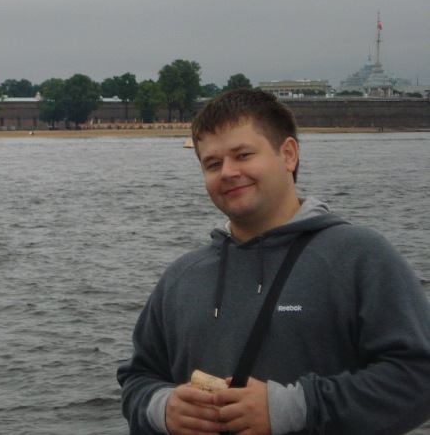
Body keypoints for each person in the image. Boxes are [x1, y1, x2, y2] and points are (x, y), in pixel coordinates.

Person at [117, 88, 430, 435]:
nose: (228, 172)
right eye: (213, 164)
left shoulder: (361, 256)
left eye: (243, 155)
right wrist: (163, 409)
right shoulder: (181, 276)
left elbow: (418, 377)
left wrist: (294, 408)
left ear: (288, 155)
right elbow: (137, 379)